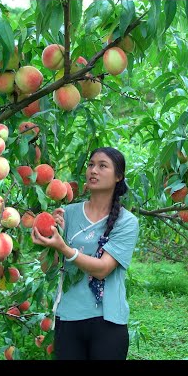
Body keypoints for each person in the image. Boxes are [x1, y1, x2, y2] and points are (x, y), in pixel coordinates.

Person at [31, 147, 140, 360]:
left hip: (108, 322)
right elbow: (49, 268)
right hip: (69, 316)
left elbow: (103, 270)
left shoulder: (127, 222)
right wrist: (49, 242)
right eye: (91, 165)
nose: (93, 170)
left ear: (119, 176)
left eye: (102, 166)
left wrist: (64, 248)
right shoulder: (68, 213)